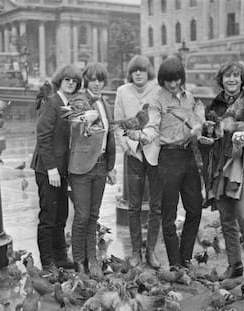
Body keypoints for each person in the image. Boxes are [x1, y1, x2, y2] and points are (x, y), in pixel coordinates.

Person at [134, 57, 205, 270]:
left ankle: (185, 257)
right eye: (169, 81)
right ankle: (175, 263)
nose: (173, 85)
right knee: (169, 214)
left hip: (188, 156)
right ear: (163, 80)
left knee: (195, 210)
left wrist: (200, 128)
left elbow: (196, 121)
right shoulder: (157, 100)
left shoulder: (189, 97)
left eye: (177, 80)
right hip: (168, 158)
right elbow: (153, 126)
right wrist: (140, 135)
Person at [205, 61, 244, 284]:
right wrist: (209, 134)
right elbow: (208, 135)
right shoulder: (214, 106)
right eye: (228, 76)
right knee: (226, 219)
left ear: (241, 80)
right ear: (222, 80)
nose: (231, 79)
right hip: (221, 167)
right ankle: (235, 265)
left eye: (236, 76)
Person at [30, 64, 85, 274]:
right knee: (48, 216)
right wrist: (51, 169)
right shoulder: (52, 103)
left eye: (74, 81)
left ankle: (60, 256)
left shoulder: (68, 105)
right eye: (67, 80)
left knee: (61, 214)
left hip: (62, 170)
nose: (71, 83)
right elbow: (43, 137)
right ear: (59, 82)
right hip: (47, 169)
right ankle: (47, 261)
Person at [68, 62, 116, 279]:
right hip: (81, 168)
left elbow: (110, 136)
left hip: (101, 166)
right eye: (93, 79)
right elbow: (76, 120)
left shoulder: (106, 103)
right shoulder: (79, 100)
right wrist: (86, 116)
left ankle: (92, 259)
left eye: (101, 80)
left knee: (93, 216)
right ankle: (79, 261)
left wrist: (111, 167)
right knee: (82, 216)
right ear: (87, 80)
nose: (97, 84)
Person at [114, 55, 162, 269]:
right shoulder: (122, 92)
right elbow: (118, 125)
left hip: (154, 154)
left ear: (148, 72)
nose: (138, 74)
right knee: (133, 206)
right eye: (134, 71)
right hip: (133, 155)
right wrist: (126, 148)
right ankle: (135, 252)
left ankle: (150, 250)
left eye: (142, 70)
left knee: (155, 206)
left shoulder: (158, 90)